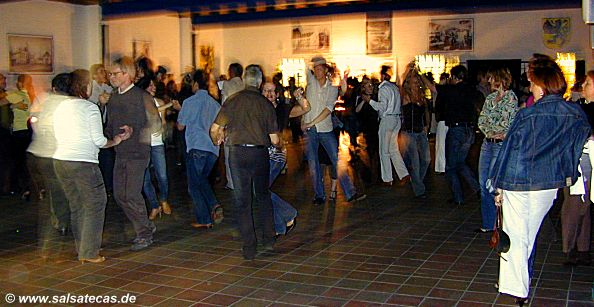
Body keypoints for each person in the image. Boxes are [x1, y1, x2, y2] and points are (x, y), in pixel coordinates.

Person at [490, 56, 590, 305]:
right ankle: (516, 283)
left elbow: (509, 152)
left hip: (518, 181)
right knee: (528, 234)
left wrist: (497, 186)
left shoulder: (529, 115)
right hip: (549, 184)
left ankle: (518, 288)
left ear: (542, 85)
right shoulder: (575, 114)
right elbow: (580, 145)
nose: (530, 87)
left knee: (517, 235)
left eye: (533, 83)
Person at [52, 69, 131, 263]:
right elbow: (99, 140)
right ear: (83, 87)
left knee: (77, 204)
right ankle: (89, 252)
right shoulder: (89, 108)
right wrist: (116, 140)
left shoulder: (60, 107)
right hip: (83, 162)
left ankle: (84, 246)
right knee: (96, 203)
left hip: (61, 160)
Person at [210, 64, 278, 260]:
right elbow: (274, 139)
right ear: (259, 82)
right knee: (263, 196)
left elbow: (215, 129)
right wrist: (280, 144)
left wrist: (217, 139)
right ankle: (269, 237)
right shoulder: (265, 104)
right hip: (259, 153)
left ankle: (249, 246)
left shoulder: (232, 101)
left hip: (238, 154)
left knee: (242, 201)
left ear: (245, 80)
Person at [105, 56, 161, 251]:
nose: (111, 77)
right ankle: (145, 225)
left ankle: (144, 234)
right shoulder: (113, 97)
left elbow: (156, 124)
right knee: (120, 195)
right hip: (120, 151)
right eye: (109, 74)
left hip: (138, 152)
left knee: (132, 193)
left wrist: (134, 131)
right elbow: (110, 124)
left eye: (115, 74)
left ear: (127, 74)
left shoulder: (142, 96)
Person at [303, 56, 366, 205]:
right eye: (315, 68)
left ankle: (350, 192)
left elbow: (327, 109)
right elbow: (305, 104)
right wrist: (303, 121)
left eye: (320, 68)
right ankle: (319, 195)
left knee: (336, 160)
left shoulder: (332, 88)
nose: (317, 71)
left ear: (325, 71)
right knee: (313, 163)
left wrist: (310, 122)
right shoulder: (311, 83)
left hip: (325, 129)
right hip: (310, 129)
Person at [27, 73, 72, 236]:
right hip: (60, 153)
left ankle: (60, 221)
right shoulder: (71, 104)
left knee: (56, 189)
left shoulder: (46, 101)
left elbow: (34, 120)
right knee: (63, 188)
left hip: (42, 152)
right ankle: (63, 221)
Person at [177, 70, 223, 229]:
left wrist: (179, 110)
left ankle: (208, 213)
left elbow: (180, 126)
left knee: (194, 185)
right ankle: (209, 212)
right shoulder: (215, 104)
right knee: (201, 180)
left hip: (196, 146)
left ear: (195, 84)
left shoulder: (189, 102)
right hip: (212, 149)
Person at [475, 67, 519, 233]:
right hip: (488, 142)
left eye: (492, 78)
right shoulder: (490, 98)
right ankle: (488, 223)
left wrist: (501, 132)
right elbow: (482, 119)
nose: (489, 81)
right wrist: (490, 131)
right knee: (483, 182)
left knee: (493, 183)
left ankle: (500, 222)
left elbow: (510, 122)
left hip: (500, 144)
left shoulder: (511, 98)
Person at [435, 65, 483, 205]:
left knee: (450, 166)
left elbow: (433, 88)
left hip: (457, 130)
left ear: (455, 77)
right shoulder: (472, 90)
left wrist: (420, 74)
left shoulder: (452, 90)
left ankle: (458, 197)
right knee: (460, 163)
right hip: (469, 130)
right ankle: (478, 189)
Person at [561, 69, 594, 266]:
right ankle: (579, 248)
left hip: (585, 164)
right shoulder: (580, 108)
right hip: (577, 163)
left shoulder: (584, 111)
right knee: (578, 205)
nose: (583, 87)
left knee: (577, 207)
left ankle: (574, 247)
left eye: (588, 84)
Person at [262, 81, 304, 235]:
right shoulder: (259, 109)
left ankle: (285, 217)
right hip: (263, 157)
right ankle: (284, 220)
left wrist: (299, 96)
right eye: (266, 90)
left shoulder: (282, 109)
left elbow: (306, 108)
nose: (269, 94)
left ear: (277, 94)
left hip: (276, 156)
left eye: (272, 91)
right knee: (261, 190)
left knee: (260, 190)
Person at [363, 65, 409, 186]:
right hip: (396, 118)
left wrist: (370, 101)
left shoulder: (383, 89)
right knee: (393, 149)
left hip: (387, 119)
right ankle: (403, 174)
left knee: (384, 150)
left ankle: (387, 178)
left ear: (382, 76)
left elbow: (382, 107)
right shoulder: (394, 87)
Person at [136, 76, 172, 220]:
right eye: (150, 85)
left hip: (157, 143)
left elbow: (163, 121)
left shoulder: (160, 102)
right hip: (143, 143)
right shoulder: (140, 103)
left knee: (162, 175)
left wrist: (163, 128)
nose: (153, 88)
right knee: (145, 178)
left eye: (154, 85)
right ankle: (154, 205)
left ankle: (163, 199)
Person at [399, 64, 433, 198]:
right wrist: (409, 70)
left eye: (417, 81)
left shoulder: (421, 95)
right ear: (408, 82)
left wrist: (426, 125)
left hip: (420, 131)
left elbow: (425, 112)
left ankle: (416, 180)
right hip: (409, 132)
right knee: (415, 162)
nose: (416, 84)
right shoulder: (405, 95)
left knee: (426, 159)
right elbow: (401, 84)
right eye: (413, 81)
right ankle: (420, 190)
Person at [88, 64, 115, 196]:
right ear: (93, 75)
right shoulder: (91, 89)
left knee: (107, 157)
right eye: (100, 72)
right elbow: (94, 108)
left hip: (105, 124)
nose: (103, 74)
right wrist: (102, 103)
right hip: (95, 125)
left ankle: (107, 185)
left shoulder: (106, 87)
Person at [221, 63, 245, 191]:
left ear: (231, 72)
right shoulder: (245, 85)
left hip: (231, 125)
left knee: (229, 154)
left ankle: (232, 182)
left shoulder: (227, 85)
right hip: (245, 124)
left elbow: (224, 106)